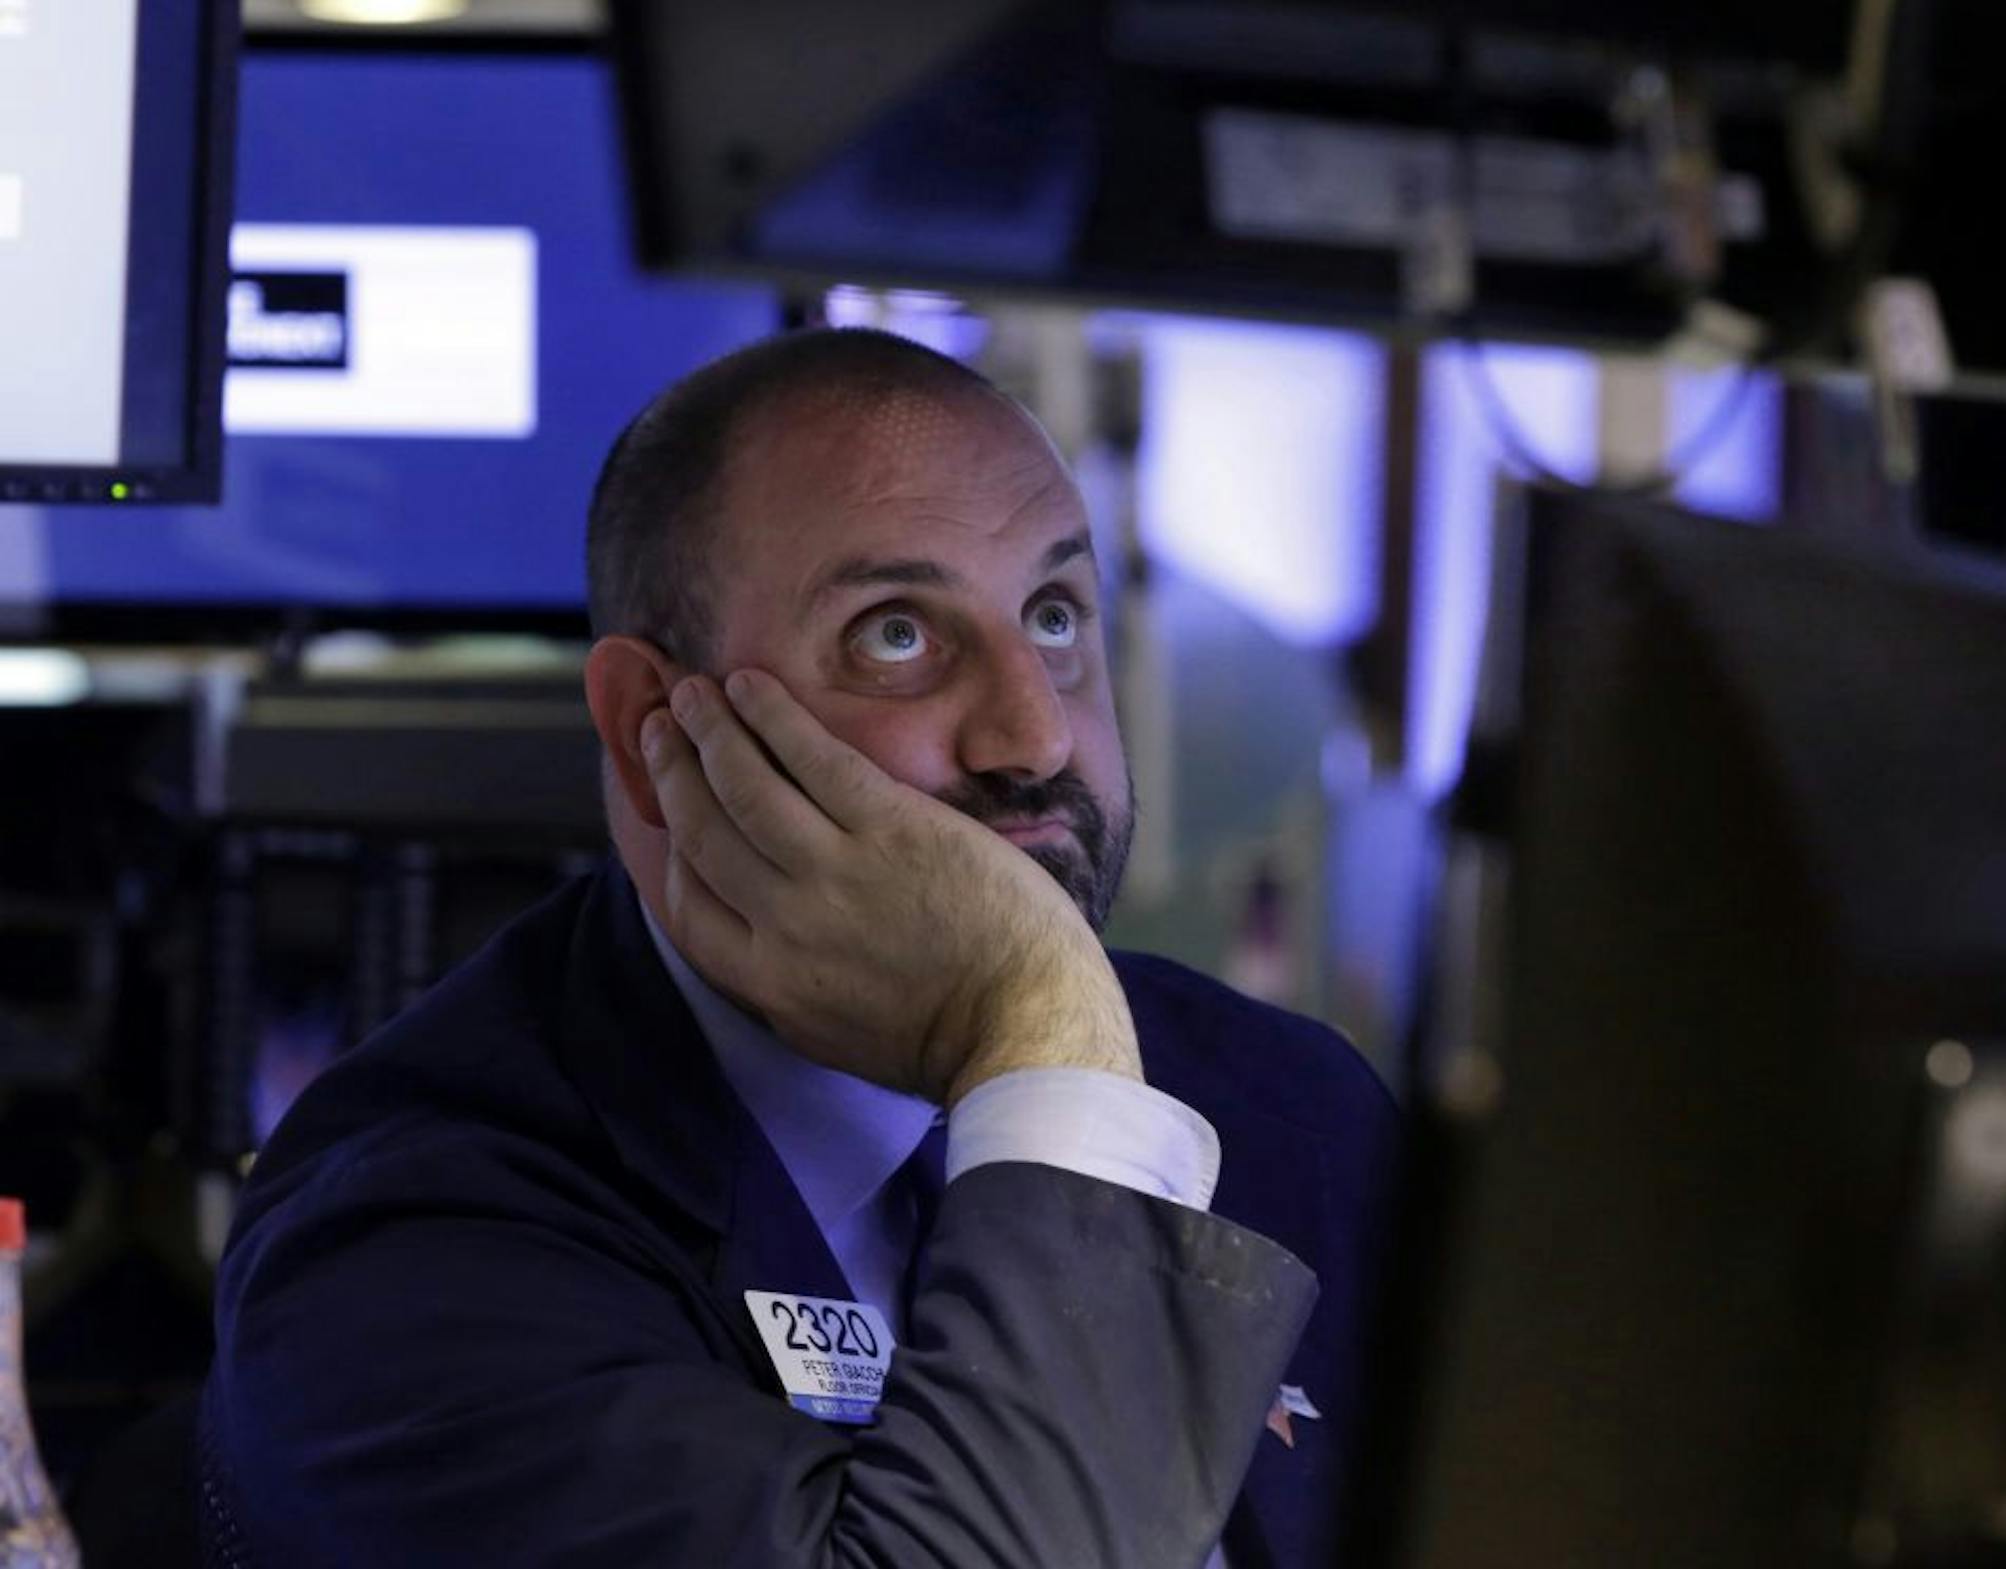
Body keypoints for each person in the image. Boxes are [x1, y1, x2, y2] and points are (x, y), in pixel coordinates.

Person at [200, 328, 1398, 1567]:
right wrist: (1036, 1035)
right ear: (651, 728)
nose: (1033, 735)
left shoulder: (1291, 1110)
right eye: (896, 636)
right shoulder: (411, 1259)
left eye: (1053, 616)